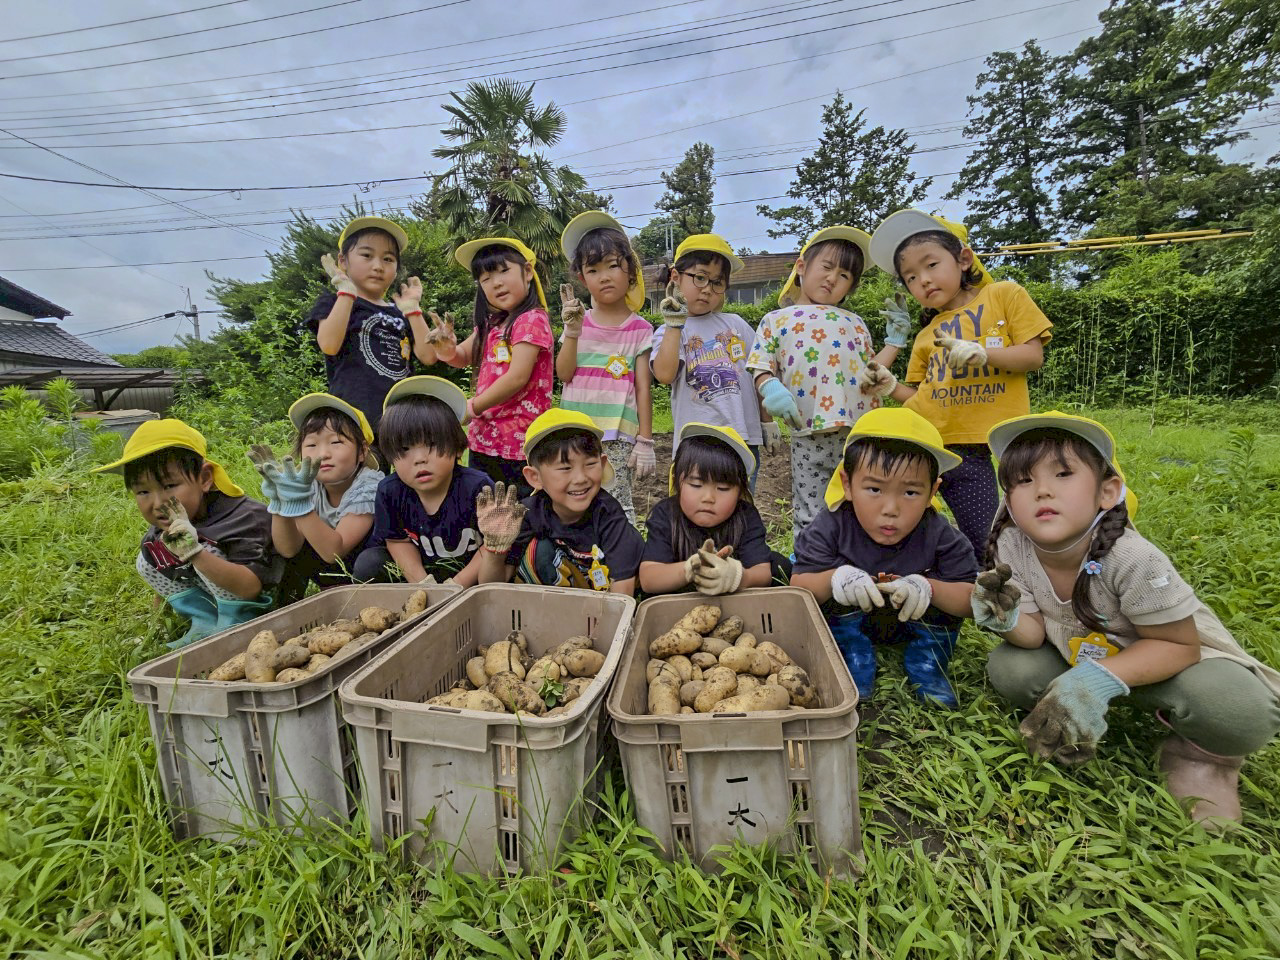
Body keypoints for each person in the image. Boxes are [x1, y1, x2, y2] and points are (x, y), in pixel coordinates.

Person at [975, 411, 1280, 826]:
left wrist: (1096, 680)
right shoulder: (1012, 544)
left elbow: (1179, 645)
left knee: (1238, 709)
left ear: (1108, 491)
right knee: (1011, 668)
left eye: (1063, 474)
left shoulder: (1131, 557)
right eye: (1023, 481)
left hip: (1168, 662)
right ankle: (1081, 707)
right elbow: (1032, 636)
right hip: (1077, 652)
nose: (1042, 490)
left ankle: (1202, 759)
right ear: (1008, 500)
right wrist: (1005, 617)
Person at [860, 210, 1052, 564]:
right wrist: (891, 388)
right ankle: (993, 592)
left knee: (1030, 519)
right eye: (912, 277)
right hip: (947, 443)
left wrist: (985, 354)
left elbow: (1032, 355)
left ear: (963, 259)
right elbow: (921, 398)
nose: (924, 280)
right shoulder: (924, 335)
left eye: (931, 264)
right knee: (982, 535)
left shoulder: (1003, 296)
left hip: (1002, 435)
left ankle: (1037, 585)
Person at [791, 408, 978, 707]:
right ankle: (853, 655)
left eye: (910, 493)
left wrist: (929, 588)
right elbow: (799, 585)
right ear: (848, 484)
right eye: (874, 488)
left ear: (933, 491)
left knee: (945, 593)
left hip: (914, 621)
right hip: (850, 622)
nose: (890, 508)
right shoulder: (830, 525)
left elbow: (971, 600)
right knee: (826, 594)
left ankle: (928, 662)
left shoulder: (941, 534)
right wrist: (836, 579)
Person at [747, 225, 906, 543]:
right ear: (803, 267)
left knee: (861, 502)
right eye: (827, 267)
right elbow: (760, 365)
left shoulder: (855, 323)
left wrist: (895, 342)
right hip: (809, 430)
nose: (834, 278)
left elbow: (870, 374)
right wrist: (770, 388)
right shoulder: (777, 320)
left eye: (845, 275)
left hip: (860, 433)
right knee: (811, 508)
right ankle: (809, 566)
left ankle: (859, 562)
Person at [93, 419, 276, 648]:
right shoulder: (172, 523)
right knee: (148, 557)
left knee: (206, 549)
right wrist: (157, 622)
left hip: (266, 602)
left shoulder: (244, 518)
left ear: (204, 478)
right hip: (219, 589)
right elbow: (163, 569)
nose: (158, 502)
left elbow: (250, 588)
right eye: (143, 491)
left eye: (169, 486)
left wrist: (195, 552)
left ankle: (237, 622)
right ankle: (204, 620)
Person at [416, 236, 553, 498]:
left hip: (519, 444)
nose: (496, 282)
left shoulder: (531, 320)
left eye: (504, 270)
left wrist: (473, 406)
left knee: (519, 516)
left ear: (527, 272)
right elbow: (462, 356)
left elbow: (517, 377)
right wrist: (447, 350)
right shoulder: (492, 323)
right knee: (484, 511)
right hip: (483, 439)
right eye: (486, 278)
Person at [474, 410, 645, 595]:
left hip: (604, 602)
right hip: (553, 606)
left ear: (602, 464)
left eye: (590, 464)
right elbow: (492, 587)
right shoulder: (529, 513)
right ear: (534, 477)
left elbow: (622, 592)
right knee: (538, 551)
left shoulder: (609, 516)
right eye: (565, 468)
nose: (580, 478)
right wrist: (495, 548)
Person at [556, 211, 656, 524]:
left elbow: (643, 386)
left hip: (617, 435)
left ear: (630, 270)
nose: (604, 276)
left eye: (613, 265)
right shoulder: (577, 322)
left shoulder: (640, 329)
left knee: (617, 504)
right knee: (573, 504)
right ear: (582, 278)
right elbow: (564, 374)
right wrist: (572, 333)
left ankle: (623, 566)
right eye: (593, 269)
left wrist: (646, 440)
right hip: (574, 431)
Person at [650, 233, 769, 488]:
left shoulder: (735, 324)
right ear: (676, 277)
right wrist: (674, 325)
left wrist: (767, 422)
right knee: (697, 513)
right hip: (697, 444)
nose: (707, 289)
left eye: (717, 282)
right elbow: (664, 374)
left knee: (742, 510)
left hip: (743, 439)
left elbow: (759, 369)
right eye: (700, 277)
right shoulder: (669, 331)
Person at [353, 377, 492, 586]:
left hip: (470, 573)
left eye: (432, 445)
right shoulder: (390, 491)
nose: (419, 459)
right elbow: (397, 541)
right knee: (370, 563)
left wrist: (456, 586)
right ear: (390, 456)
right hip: (421, 572)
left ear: (458, 448)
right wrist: (423, 585)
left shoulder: (478, 488)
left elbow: (492, 544)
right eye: (405, 449)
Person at [306, 216, 434, 442]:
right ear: (343, 261)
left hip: (400, 418)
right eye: (366, 255)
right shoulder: (335, 303)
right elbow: (329, 344)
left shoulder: (399, 312)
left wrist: (413, 310)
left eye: (388, 259)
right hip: (355, 422)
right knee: (361, 477)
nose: (377, 266)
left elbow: (428, 356)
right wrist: (346, 291)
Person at [249, 394, 384, 605]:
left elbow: (334, 553)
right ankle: (288, 607)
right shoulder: (309, 483)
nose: (323, 454)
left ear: (362, 452)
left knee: (371, 561)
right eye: (311, 445)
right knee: (274, 543)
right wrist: (280, 500)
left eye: (336, 442)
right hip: (329, 570)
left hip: (366, 572)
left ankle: (356, 602)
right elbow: (289, 549)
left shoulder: (369, 485)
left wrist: (299, 503)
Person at [639, 423, 788, 596]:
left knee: (779, 564)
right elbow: (649, 579)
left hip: (736, 602)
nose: (708, 498)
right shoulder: (666, 514)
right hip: (677, 605)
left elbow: (762, 573)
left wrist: (736, 576)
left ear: (740, 491)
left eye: (723, 488)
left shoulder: (745, 515)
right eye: (696, 484)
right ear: (677, 481)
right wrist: (691, 569)